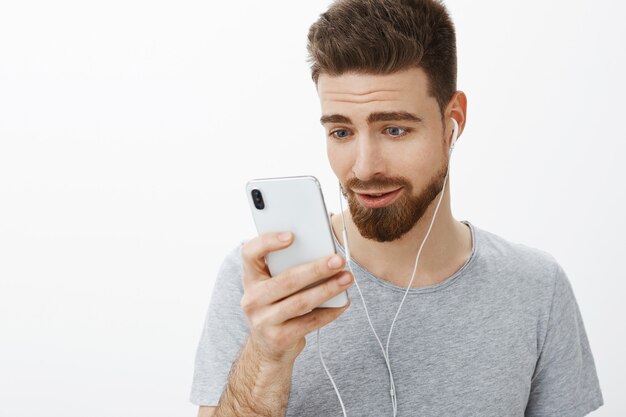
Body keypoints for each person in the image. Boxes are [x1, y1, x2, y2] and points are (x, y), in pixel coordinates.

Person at [190, 0, 603, 416]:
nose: (364, 167)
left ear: (452, 121)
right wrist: (266, 357)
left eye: (394, 129)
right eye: (341, 131)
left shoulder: (535, 287)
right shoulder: (264, 285)